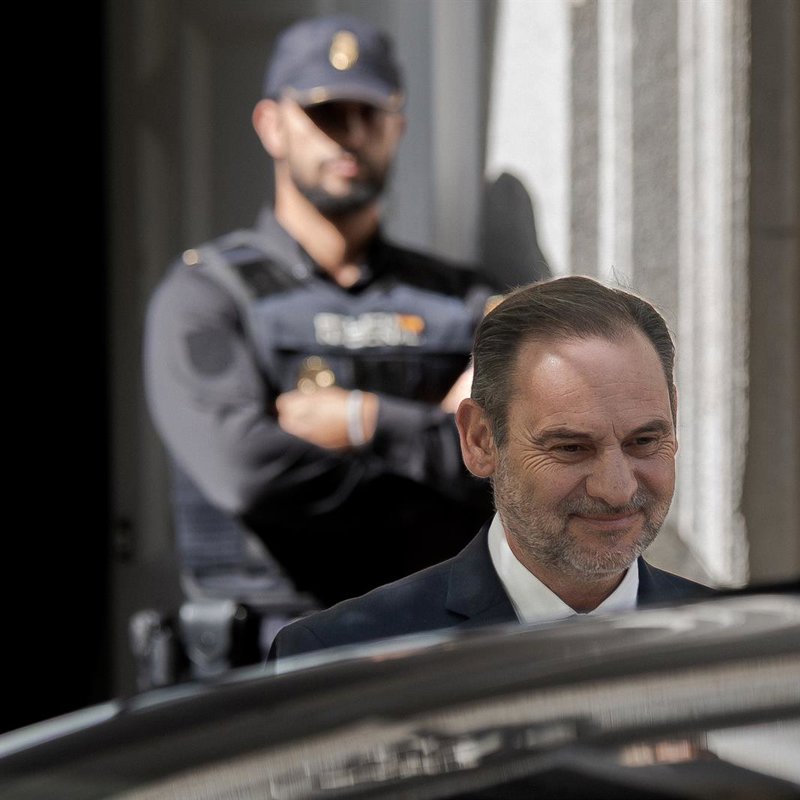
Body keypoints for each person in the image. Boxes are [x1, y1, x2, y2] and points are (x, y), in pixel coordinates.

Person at [143, 13, 499, 670]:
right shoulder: (207, 296)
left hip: (427, 656)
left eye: (370, 113)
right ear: (271, 125)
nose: (352, 134)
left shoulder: (461, 301)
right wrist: (441, 446)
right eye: (326, 113)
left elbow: (519, 466)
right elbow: (249, 474)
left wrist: (363, 421)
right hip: (263, 665)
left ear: (398, 126)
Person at [269, 275, 716, 661]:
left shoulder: (737, 645)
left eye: (643, 442)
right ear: (480, 440)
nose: (616, 489)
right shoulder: (336, 658)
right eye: (571, 448)